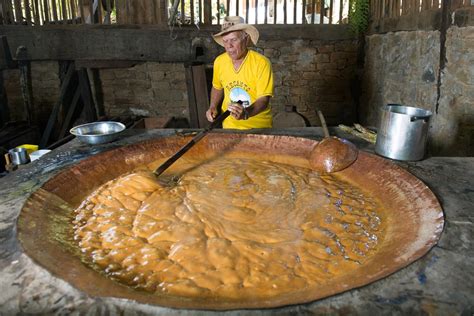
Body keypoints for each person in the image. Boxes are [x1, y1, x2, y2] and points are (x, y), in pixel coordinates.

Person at [206, 16, 274, 129]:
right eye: (225, 41)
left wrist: (246, 113)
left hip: (258, 127)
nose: (229, 46)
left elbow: (263, 99)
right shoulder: (219, 61)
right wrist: (213, 106)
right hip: (229, 126)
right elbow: (217, 87)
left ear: (246, 39)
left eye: (233, 40)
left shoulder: (261, 63)